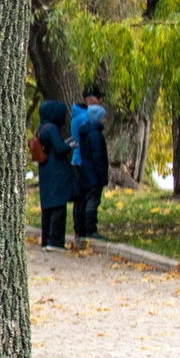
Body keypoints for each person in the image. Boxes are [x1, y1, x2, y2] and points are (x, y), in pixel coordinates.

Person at [33, 99, 76, 251]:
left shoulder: (41, 128)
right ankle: (56, 241)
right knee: (58, 205)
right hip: (56, 169)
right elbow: (59, 148)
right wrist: (70, 145)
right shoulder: (52, 128)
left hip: (45, 170)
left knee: (48, 208)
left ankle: (46, 240)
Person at [72, 87, 109, 240]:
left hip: (83, 165)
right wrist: (102, 174)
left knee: (81, 198)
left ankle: (81, 229)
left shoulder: (82, 126)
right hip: (89, 168)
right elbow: (98, 155)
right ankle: (89, 229)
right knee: (90, 199)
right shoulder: (92, 130)